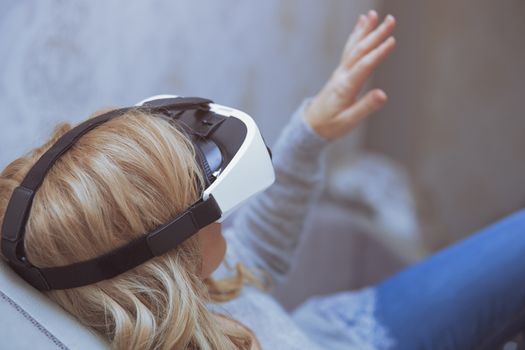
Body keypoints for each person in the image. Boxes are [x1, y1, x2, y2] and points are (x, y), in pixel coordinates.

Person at [1, 9, 524, 350]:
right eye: (203, 205)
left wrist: (310, 132)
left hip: (340, 327)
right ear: (165, 268)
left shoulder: (189, 286)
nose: (222, 211)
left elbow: (257, 258)